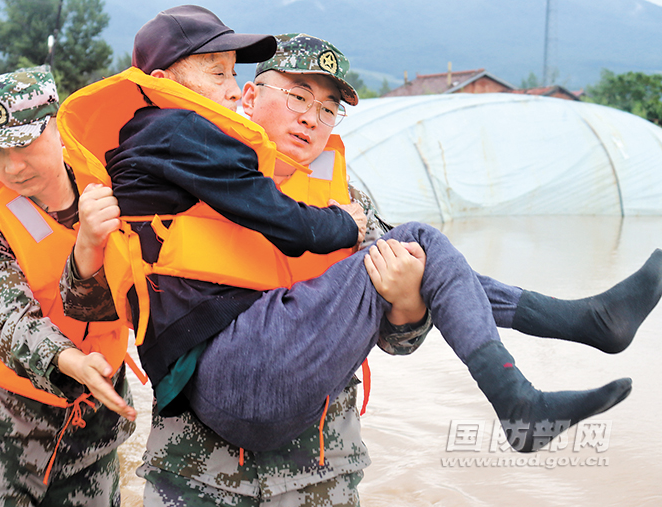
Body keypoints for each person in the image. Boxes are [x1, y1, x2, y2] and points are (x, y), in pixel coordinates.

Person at [60, 10, 657, 504]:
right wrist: (87, 251)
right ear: (247, 95)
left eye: (327, 109)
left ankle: (576, 333)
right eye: (296, 95)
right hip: (198, 470)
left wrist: (404, 308)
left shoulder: (347, 198)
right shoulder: (180, 157)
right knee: (418, 241)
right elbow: (92, 309)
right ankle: (568, 339)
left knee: (415, 253)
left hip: (318, 472)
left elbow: (411, 325)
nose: (309, 117)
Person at [0, 67, 136, 507]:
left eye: (23, 143)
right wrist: (69, 361)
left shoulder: (115, 182)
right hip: (1, 424)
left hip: (92, 429)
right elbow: (6, 313)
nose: (12, 166)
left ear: (55, 125)